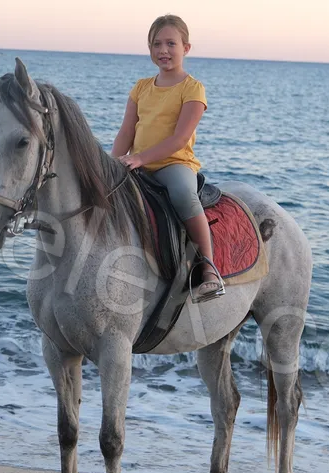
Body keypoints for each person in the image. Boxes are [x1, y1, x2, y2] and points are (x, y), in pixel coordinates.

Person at [111, 14, 224, 302]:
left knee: (184, 195)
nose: (163, 50)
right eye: (156, 44)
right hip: (137, 163)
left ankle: (209, 268)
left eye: (171, 43)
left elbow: (178, 139)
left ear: (186, 48)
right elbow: (126, 132)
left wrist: (139, 158)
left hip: (174, 164)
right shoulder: (141, 87)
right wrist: (112, 162)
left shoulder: (192, 88)